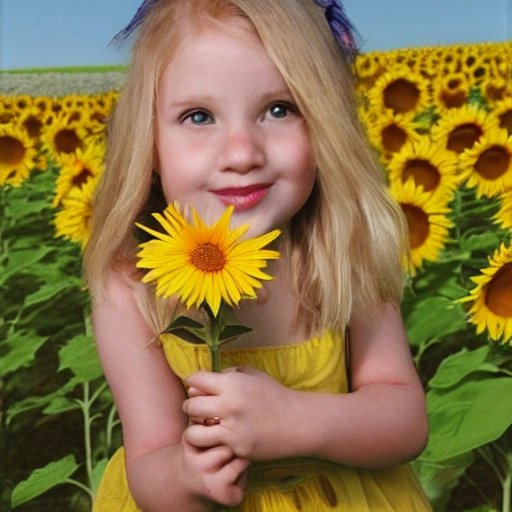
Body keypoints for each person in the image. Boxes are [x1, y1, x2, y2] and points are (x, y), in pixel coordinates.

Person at [84, 0, 432, 510]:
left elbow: (405, 421)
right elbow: (149, 463)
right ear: (149, 145)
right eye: (198, 116)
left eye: (279, 109)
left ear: (325, 124)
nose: (242, 153)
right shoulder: (132, 286)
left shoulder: (341, 252)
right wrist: (186, 474)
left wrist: (297, 421)